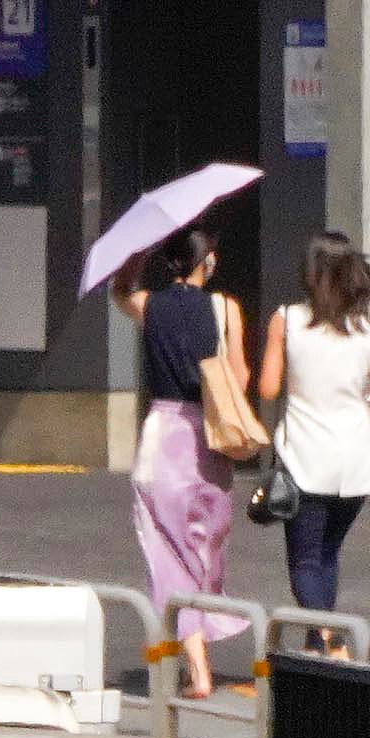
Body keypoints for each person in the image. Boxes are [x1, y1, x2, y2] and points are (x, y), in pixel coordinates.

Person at [114, 223, 253, 702]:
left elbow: (119, 290)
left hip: (163, 433)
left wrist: (139, 252)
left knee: (165, 548)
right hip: (210, 437)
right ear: (204, 262)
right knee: (204, 546)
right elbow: (239, 375)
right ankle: (194, 653)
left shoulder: (149, 304)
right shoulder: (226, 308)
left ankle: (196, 668)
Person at [261, 231, 370, 609]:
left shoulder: (287, 320)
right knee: (327, 554)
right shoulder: (368, 329)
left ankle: (328, 639)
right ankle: (319, 648)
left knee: (305, 562)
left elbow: (269, 388)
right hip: (354, 462)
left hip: (306, 457)